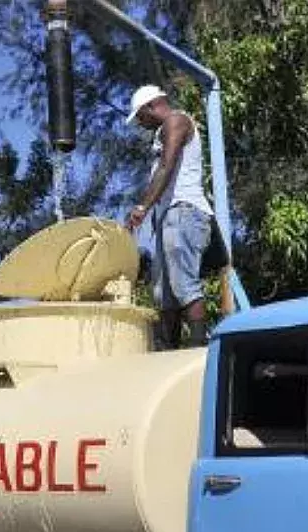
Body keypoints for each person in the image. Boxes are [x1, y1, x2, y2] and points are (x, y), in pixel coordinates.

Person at [124, 84, 217, 349]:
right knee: (163, 292)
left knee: (184, 285)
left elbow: (167, 165)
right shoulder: (162, 131)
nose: (141, 124)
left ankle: (199, 349)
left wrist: (142, 208)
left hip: (184, 211)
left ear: (152, 106)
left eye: (141, 117)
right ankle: (168, 351)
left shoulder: (176, 121)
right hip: (169, 216)